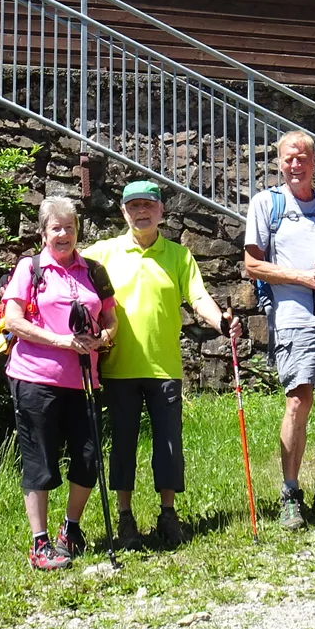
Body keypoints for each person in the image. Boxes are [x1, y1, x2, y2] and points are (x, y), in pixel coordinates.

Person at [82, 179, 228, 550]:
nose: (141, 212)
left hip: (164, 368)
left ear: (161, 211)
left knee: (168, 444)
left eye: (148, 205)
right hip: (118, 366)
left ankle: (167, 513)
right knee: (124, 446)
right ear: (123, 212)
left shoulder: (178, 256)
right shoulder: (103, 253)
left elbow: (198, 297)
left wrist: (221, 322)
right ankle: (125, 517)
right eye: (134, 207)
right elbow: (68, 272)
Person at [240, 130, 315, 530]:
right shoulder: (267, 203)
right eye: (289, 158)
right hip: (294, 318)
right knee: (298, 399)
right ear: (279, 162)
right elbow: (253, 265)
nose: (296, 165)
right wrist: (301, 277)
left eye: (304, 158)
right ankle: (290, 493)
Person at [0, 196, 116, 571]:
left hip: (84, 380)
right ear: (43, 232)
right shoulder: (29, 268)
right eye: (56, 228)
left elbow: (112, 321)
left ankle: (71, 529)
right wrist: (61, 341)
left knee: (88, 459)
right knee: (41, 460)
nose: (63, 234)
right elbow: (12, 321)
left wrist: (104, 340)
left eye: (69, 227)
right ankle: (40, 544)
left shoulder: (94, 271)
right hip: (36, 378)